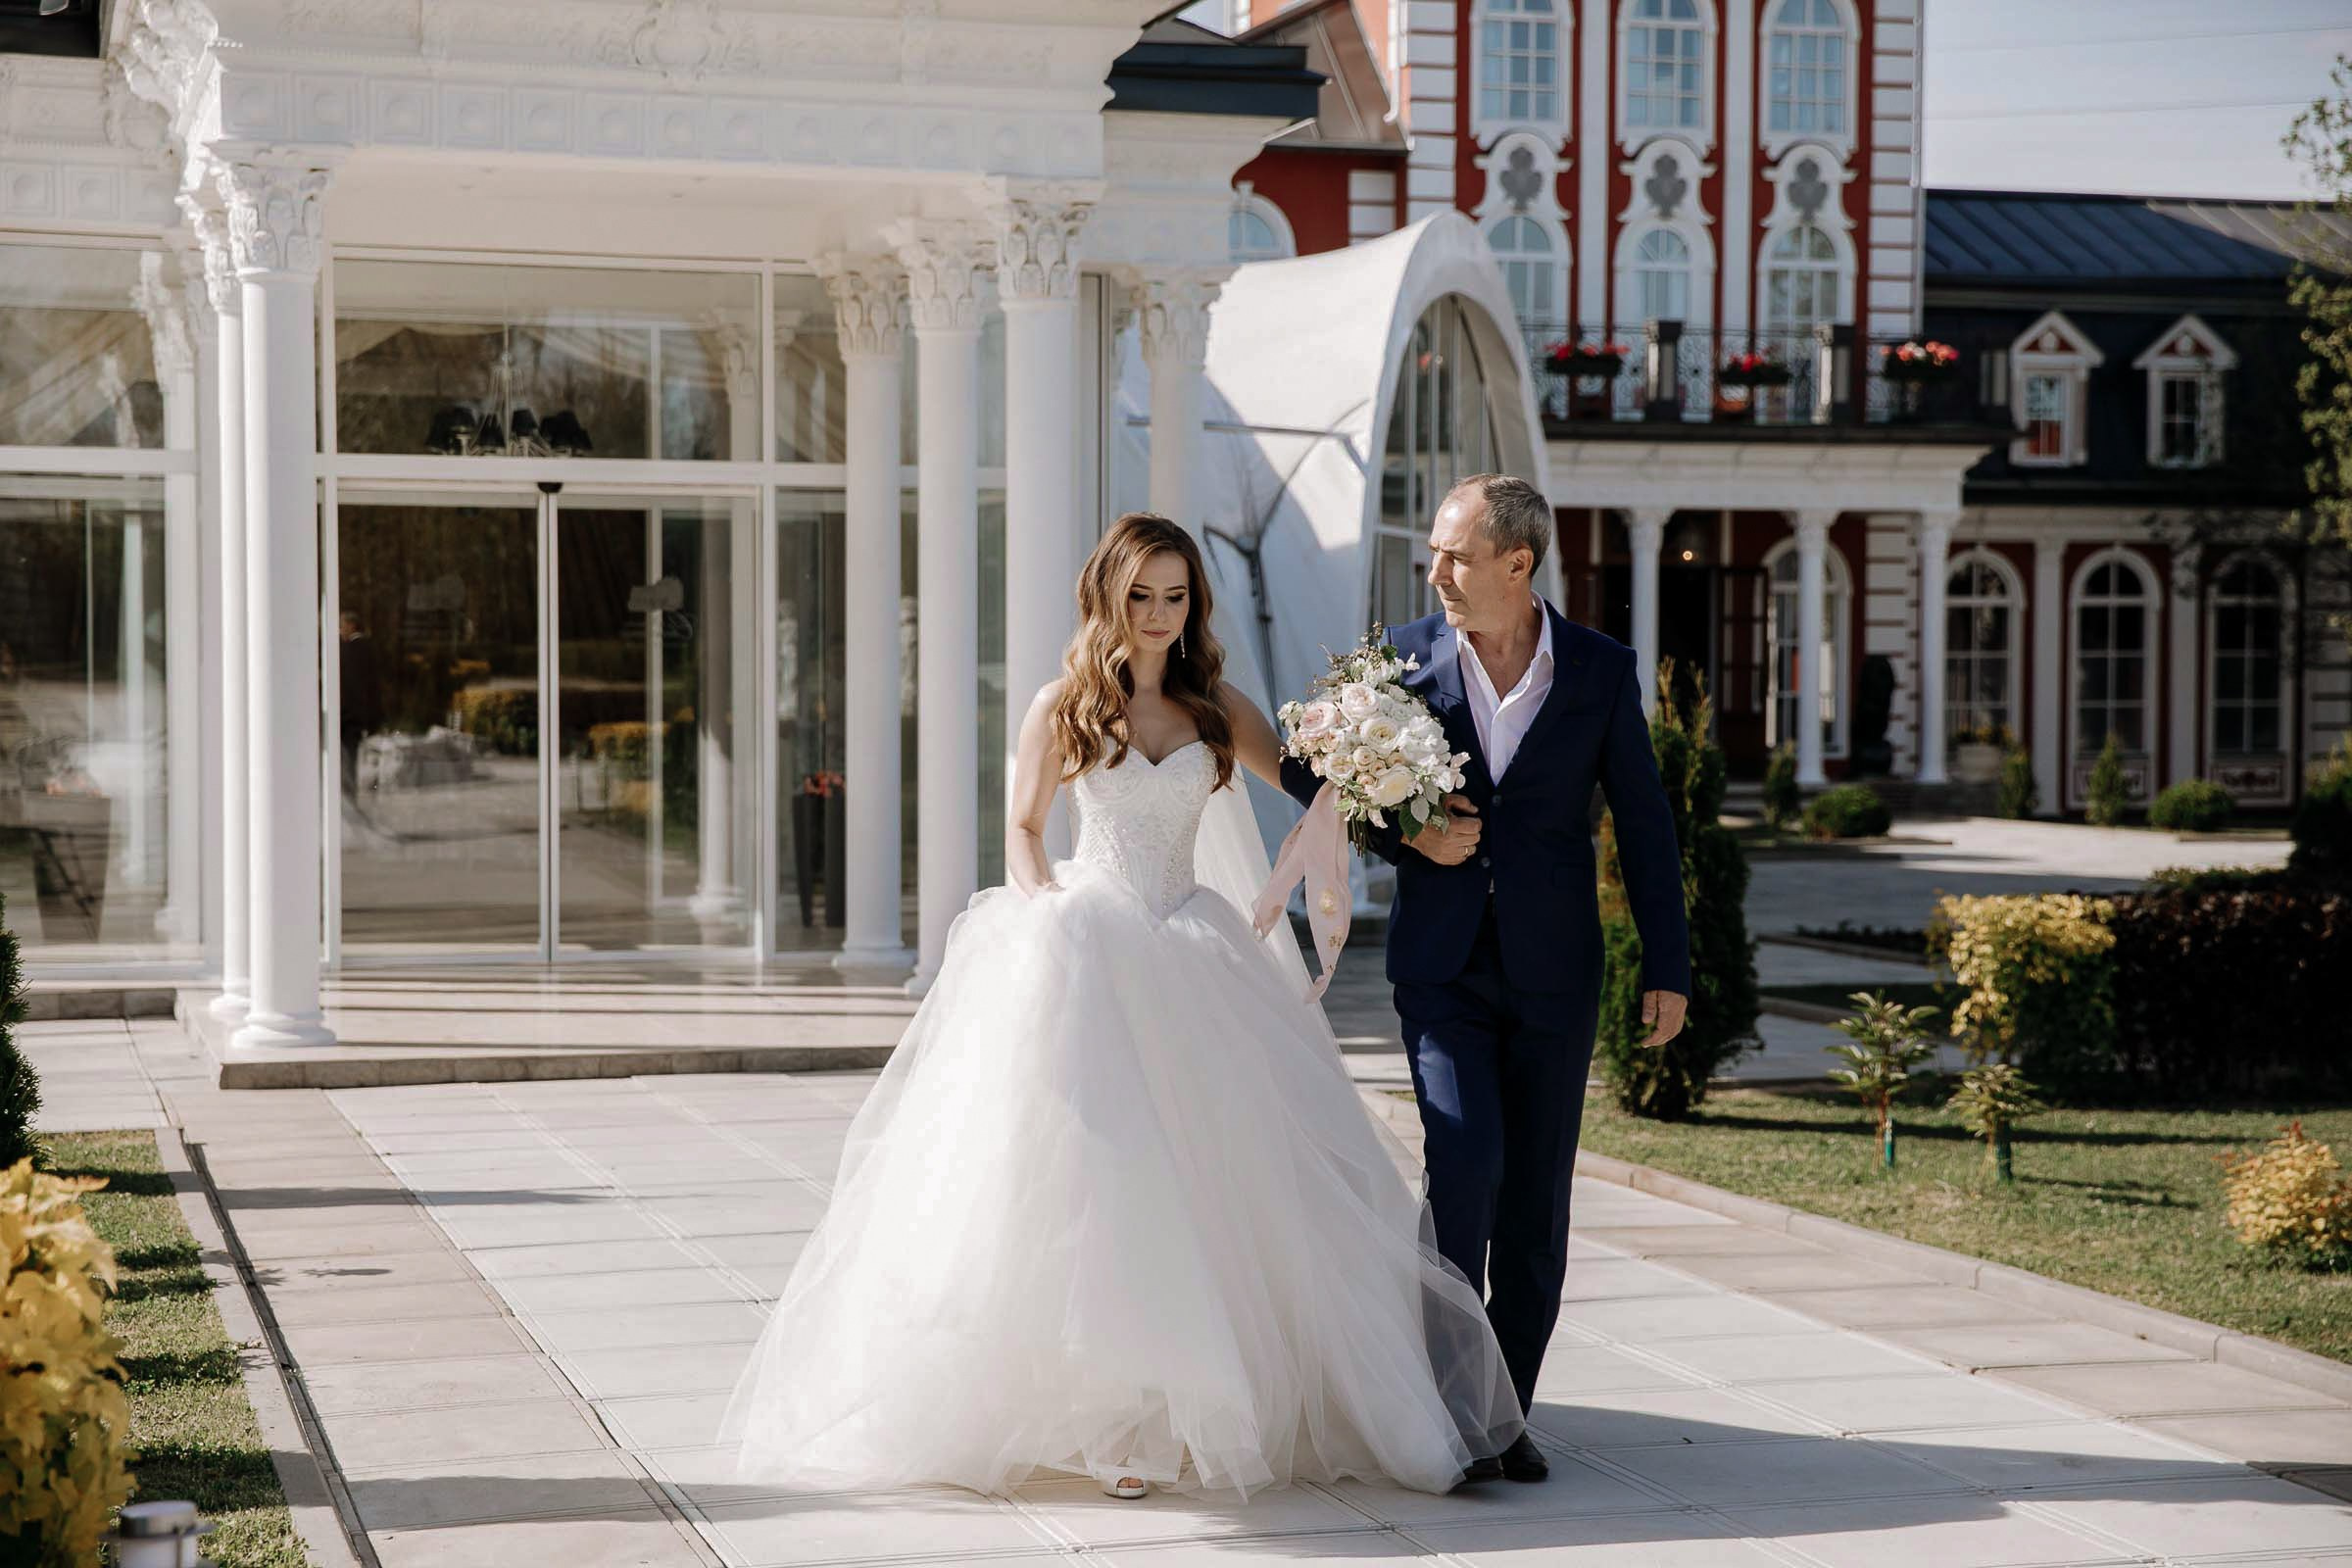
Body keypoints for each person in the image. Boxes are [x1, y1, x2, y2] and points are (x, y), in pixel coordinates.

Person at [724, 513, 1524, 1501]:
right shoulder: (1064, 706)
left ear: (1194, 605)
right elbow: (1022, 829)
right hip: (1088, 941)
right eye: (1141, 594)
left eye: (1175, 595)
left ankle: (1208, 1393)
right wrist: (1045, 908)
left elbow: (1320, 787)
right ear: (1107, 595)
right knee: (1097, 1186)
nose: (1158, 613)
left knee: (1215, 1180)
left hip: (1194, 943)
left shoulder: (1214, 706)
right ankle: (1118, 1415)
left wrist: (1402, 794)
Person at [1276, 472, 1690, 1484]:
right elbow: (1310, 766)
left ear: (1518, 563)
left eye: (1455, 555)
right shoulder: (1403, 660)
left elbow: (1643, 823)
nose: (1437, 571)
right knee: (1464, 1172)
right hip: (1443, 972)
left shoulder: (1597, 670)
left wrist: (1669, 965)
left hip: (1556, 975)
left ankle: (1508, 1415)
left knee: (1536, 1203)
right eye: (1434, 553)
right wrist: (1408, 830)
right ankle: (1451, 1414)